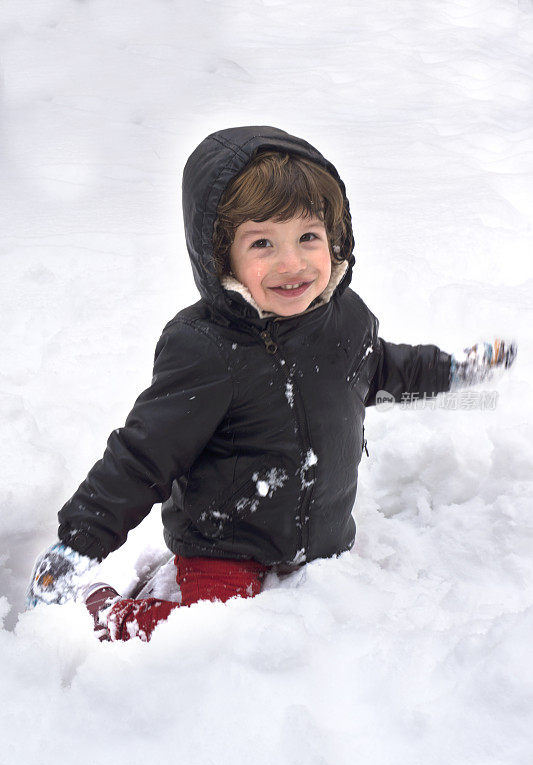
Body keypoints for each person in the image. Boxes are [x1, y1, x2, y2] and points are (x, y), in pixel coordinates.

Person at [26, 125, 517, 642]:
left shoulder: (344, 320)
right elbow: (143, 455)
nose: (293, 264)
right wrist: (79, 543)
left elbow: (385, 370)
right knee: (207, 631)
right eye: (262, 242)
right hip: (227, 546)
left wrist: (457, 370)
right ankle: (111, 614)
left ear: (336, 235)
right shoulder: (207, 349)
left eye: (308, 236)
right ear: (221, 256)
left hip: (323, 545)